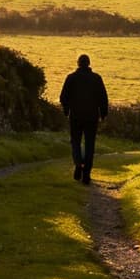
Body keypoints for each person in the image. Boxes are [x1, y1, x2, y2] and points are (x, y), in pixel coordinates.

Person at [58, 53, 108, 184]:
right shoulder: (96, 78)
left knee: (75, 142)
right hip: (92, 116)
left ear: (78, 63)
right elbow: (103, 98)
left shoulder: (71, 78)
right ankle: (86, 173)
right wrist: (103, 114)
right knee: (90, 144)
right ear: (89, 63)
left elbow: (63, 97)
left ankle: (78, 164)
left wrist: (66, 110)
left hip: (75, 116)